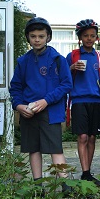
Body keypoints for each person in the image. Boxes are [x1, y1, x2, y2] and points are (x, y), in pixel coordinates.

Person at [9, 17, 73, 188]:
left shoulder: (57, 59)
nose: (37, 40)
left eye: (41, 36)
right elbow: (15, 87)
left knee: (55, 149)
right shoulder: (23, 61)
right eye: (33, 36)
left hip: (50, 112)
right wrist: (19, 105)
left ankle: (66, 186)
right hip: (29, 112)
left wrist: (46, 101)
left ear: (48, 37)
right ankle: (38, 187)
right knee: (33, 149)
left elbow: (67, 84)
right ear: (27, 37)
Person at [66, 19, 100, 186]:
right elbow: (63, 78)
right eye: (85, 36)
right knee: (82, 137)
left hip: (95, 101)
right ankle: (85, 172)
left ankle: (88, 172)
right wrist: (72, 68)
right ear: (80, 37)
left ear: (96, 38)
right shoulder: (73, 56)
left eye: (92, 36)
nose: (89, 38)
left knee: (91, 138)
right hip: (79, 100)